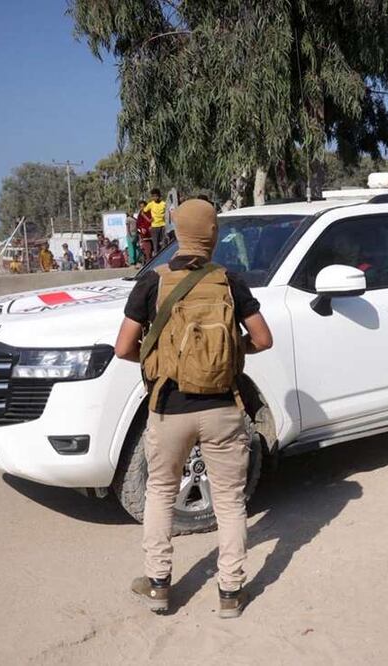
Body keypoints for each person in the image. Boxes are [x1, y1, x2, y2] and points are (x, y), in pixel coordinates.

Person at [114, 198, 273, 619]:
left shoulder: (152, 281)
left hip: (168, 408)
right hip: (223, 407)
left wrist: (160, 360)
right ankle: (231, 593)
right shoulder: (230, 281)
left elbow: (123, 347)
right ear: (213, 236)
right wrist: (226, 354)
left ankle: (159, 586)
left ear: (178, 234)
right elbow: (263, 339)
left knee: (161, 494)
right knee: (230, 502)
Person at [144, 189, 169, 253]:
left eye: (156, 196)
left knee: (164, 244)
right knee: (156, 245)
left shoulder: (164, 204)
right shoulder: (150, 204)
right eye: (153, 196)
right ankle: (157, 259)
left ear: (159, 196)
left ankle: (164, 257)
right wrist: (149, 220)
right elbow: (143, 212)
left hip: (163, 226)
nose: (155, 198)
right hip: (154, 227)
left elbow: (168, 213)